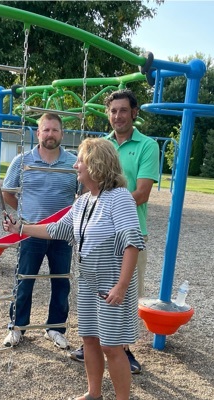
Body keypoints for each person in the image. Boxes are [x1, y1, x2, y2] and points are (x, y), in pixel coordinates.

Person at [3, 138, 144, 400]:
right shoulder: (83, 201)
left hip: (111, 287)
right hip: (89, 283)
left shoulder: (120, 198)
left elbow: (133, 243)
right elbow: (58, 229)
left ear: (96, 164)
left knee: (112, 346)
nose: (75, 166)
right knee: (90, 339)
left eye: (80, 160)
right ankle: (94, 395)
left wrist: (121, 286)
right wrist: (22, 228)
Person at [70, 89, 159, 374]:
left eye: (123, 110)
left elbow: (142, 193)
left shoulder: (147, 146)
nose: (117, 116)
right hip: (98, 232)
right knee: (94, 287)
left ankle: (122, 349)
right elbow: (90, 186)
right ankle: (94, 341)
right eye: (113, 111)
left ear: (134, 113)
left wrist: (107, 205)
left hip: (131, 230)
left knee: (124, 289)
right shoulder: (100, 145)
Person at [1, 112, 78, 349]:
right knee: (24, 280)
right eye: (46, 130)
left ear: (62, 134)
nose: (50, 134)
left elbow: (84, 195)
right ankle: (17, 327)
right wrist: (24, 217)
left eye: (55, 130)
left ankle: (55, 328)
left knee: (61, 282)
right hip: (31, 232)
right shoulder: (22, 160)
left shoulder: (73, 163)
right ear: (38, 133)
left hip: (61, 234)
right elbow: (7, 191)